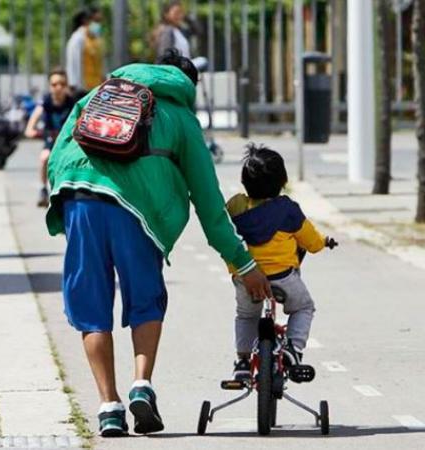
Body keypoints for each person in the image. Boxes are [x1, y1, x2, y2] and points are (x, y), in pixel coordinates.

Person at [45, 50, 272, 437]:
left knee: (91, 309)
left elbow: (56, 158)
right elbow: (209, 204)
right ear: (188, 85)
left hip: (79, 198)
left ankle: (109, 407)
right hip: (137, 212)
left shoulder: (98, 94)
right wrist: (244, 263)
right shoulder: (181, 117)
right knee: (145, 300)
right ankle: (141, 385)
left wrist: (67, 211)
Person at [225, 143, 336, 381]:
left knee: (246, 316)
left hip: (245, 277)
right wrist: (324, 242)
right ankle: (293, 349)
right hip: (283, 277)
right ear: (283, 181)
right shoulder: (288, 210)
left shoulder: (235, 206)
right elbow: (311, 242)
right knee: (303, 307)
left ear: (244, 181)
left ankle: (243, 362)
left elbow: (223, 229)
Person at [24, 68, 76, 208]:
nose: (58, 88)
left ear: (67, 86)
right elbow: (31, 124)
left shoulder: (72, 103)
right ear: (49, 86)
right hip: (51, 141)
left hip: (67, 143)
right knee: (44, 157)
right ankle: (43, 190)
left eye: (62, 84)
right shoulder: (45, 102)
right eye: (54, 84)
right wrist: (32, 131)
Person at [65, 6, 106, 97]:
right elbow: (72, 63)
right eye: (96, 21)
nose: (98, 24)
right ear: (85, 21)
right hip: (82, 89)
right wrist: (73, 84)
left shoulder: (96, 39)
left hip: (96, 88)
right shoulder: (78, 38)